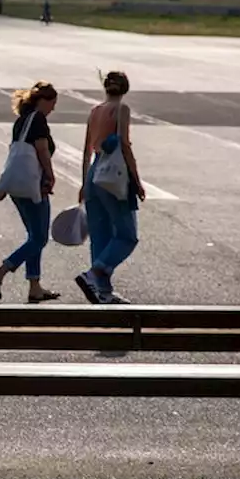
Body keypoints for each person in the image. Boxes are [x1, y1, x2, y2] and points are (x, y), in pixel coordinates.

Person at [0, 82, 61, 303]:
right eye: (52, 104)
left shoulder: (22, 120)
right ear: (43, 101)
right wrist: (50, 175)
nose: (53, 109)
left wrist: (5, 187)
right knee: (39, 238)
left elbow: (15, 155)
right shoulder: (38, 119)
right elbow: (41, 150)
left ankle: (35, 287)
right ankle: (0, 271)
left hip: (18, 187)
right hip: (33, 186)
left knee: (34, 238)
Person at [76, 71, 145, 304]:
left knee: (100, 234)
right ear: (125, 89)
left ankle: (102, 291)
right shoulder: (121, 109)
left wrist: (84, 182)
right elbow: (124, 144)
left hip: (95, 171)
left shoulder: (94, 111)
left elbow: (86, 150)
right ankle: (94, 274)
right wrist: (136, 178)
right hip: (113, 172)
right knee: (127, 235)